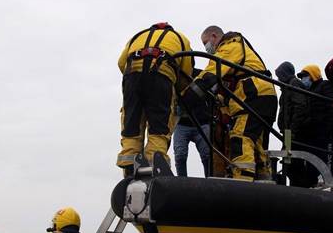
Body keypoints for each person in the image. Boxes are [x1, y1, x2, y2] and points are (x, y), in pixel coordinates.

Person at [184, 25, 277, 181]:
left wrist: (187, 96)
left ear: (214, 36)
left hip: (254, 94)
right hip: (264, 95)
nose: (206, 48)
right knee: (256, 142)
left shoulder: (230, 47)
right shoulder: (239, 51)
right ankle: (263, 179)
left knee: (241, 137)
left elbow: (211, 73)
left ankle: (242, 181)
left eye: (206, 43)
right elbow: (225, 88)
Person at [117, 23, 194, 177]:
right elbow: (186, 73)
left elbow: (121, 63)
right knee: (159, 125)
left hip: (132, 77)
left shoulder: (137, 36)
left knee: (132, 123)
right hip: (161, 77)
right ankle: (155, 165)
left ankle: (129, 166)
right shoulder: (180, 38)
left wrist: (136, 76)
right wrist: (179, 91)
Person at [287, 64, 333, 188]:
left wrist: (327, 127)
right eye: (302, 77)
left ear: (313, 75)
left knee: (320, 160)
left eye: (305, 76)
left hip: (321, 131)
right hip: (309, 132)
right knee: (303, 160)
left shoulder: (324, 85)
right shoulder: (307, 91)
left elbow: (331, 108)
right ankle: (305, 184)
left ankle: (319, 184)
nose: (303, 79)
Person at [173, 69, 212, 177]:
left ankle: (210, 180)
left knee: (207, 156)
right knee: (180, 155)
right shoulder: (175, 76)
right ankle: (182, 182)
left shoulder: (200, 75)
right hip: (181, 124)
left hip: (201, 123)